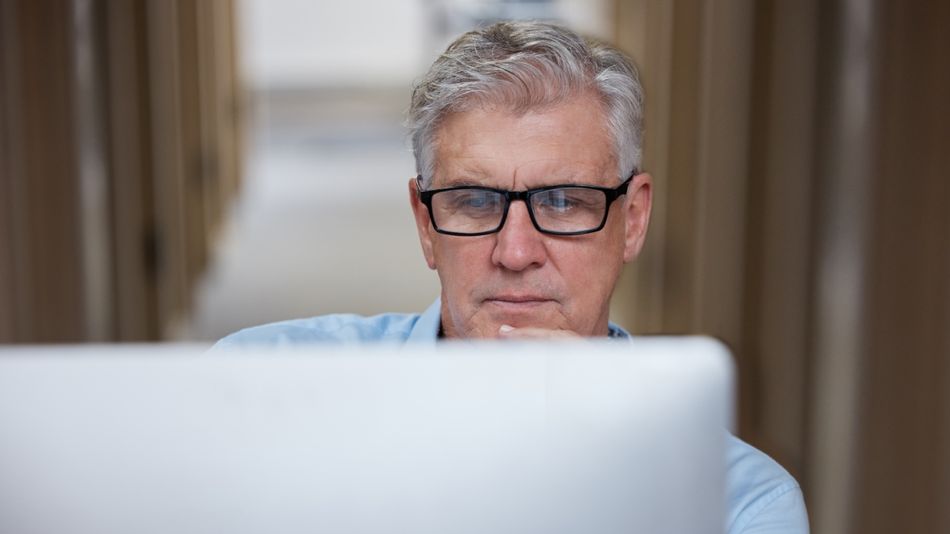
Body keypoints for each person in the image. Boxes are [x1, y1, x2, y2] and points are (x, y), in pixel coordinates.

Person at [214, 21, 809, 533]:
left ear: (632, 221)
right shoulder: (254, 388)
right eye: (473, 201)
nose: (516, 250)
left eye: (563, 201)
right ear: (426, 224)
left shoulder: (739, 506)